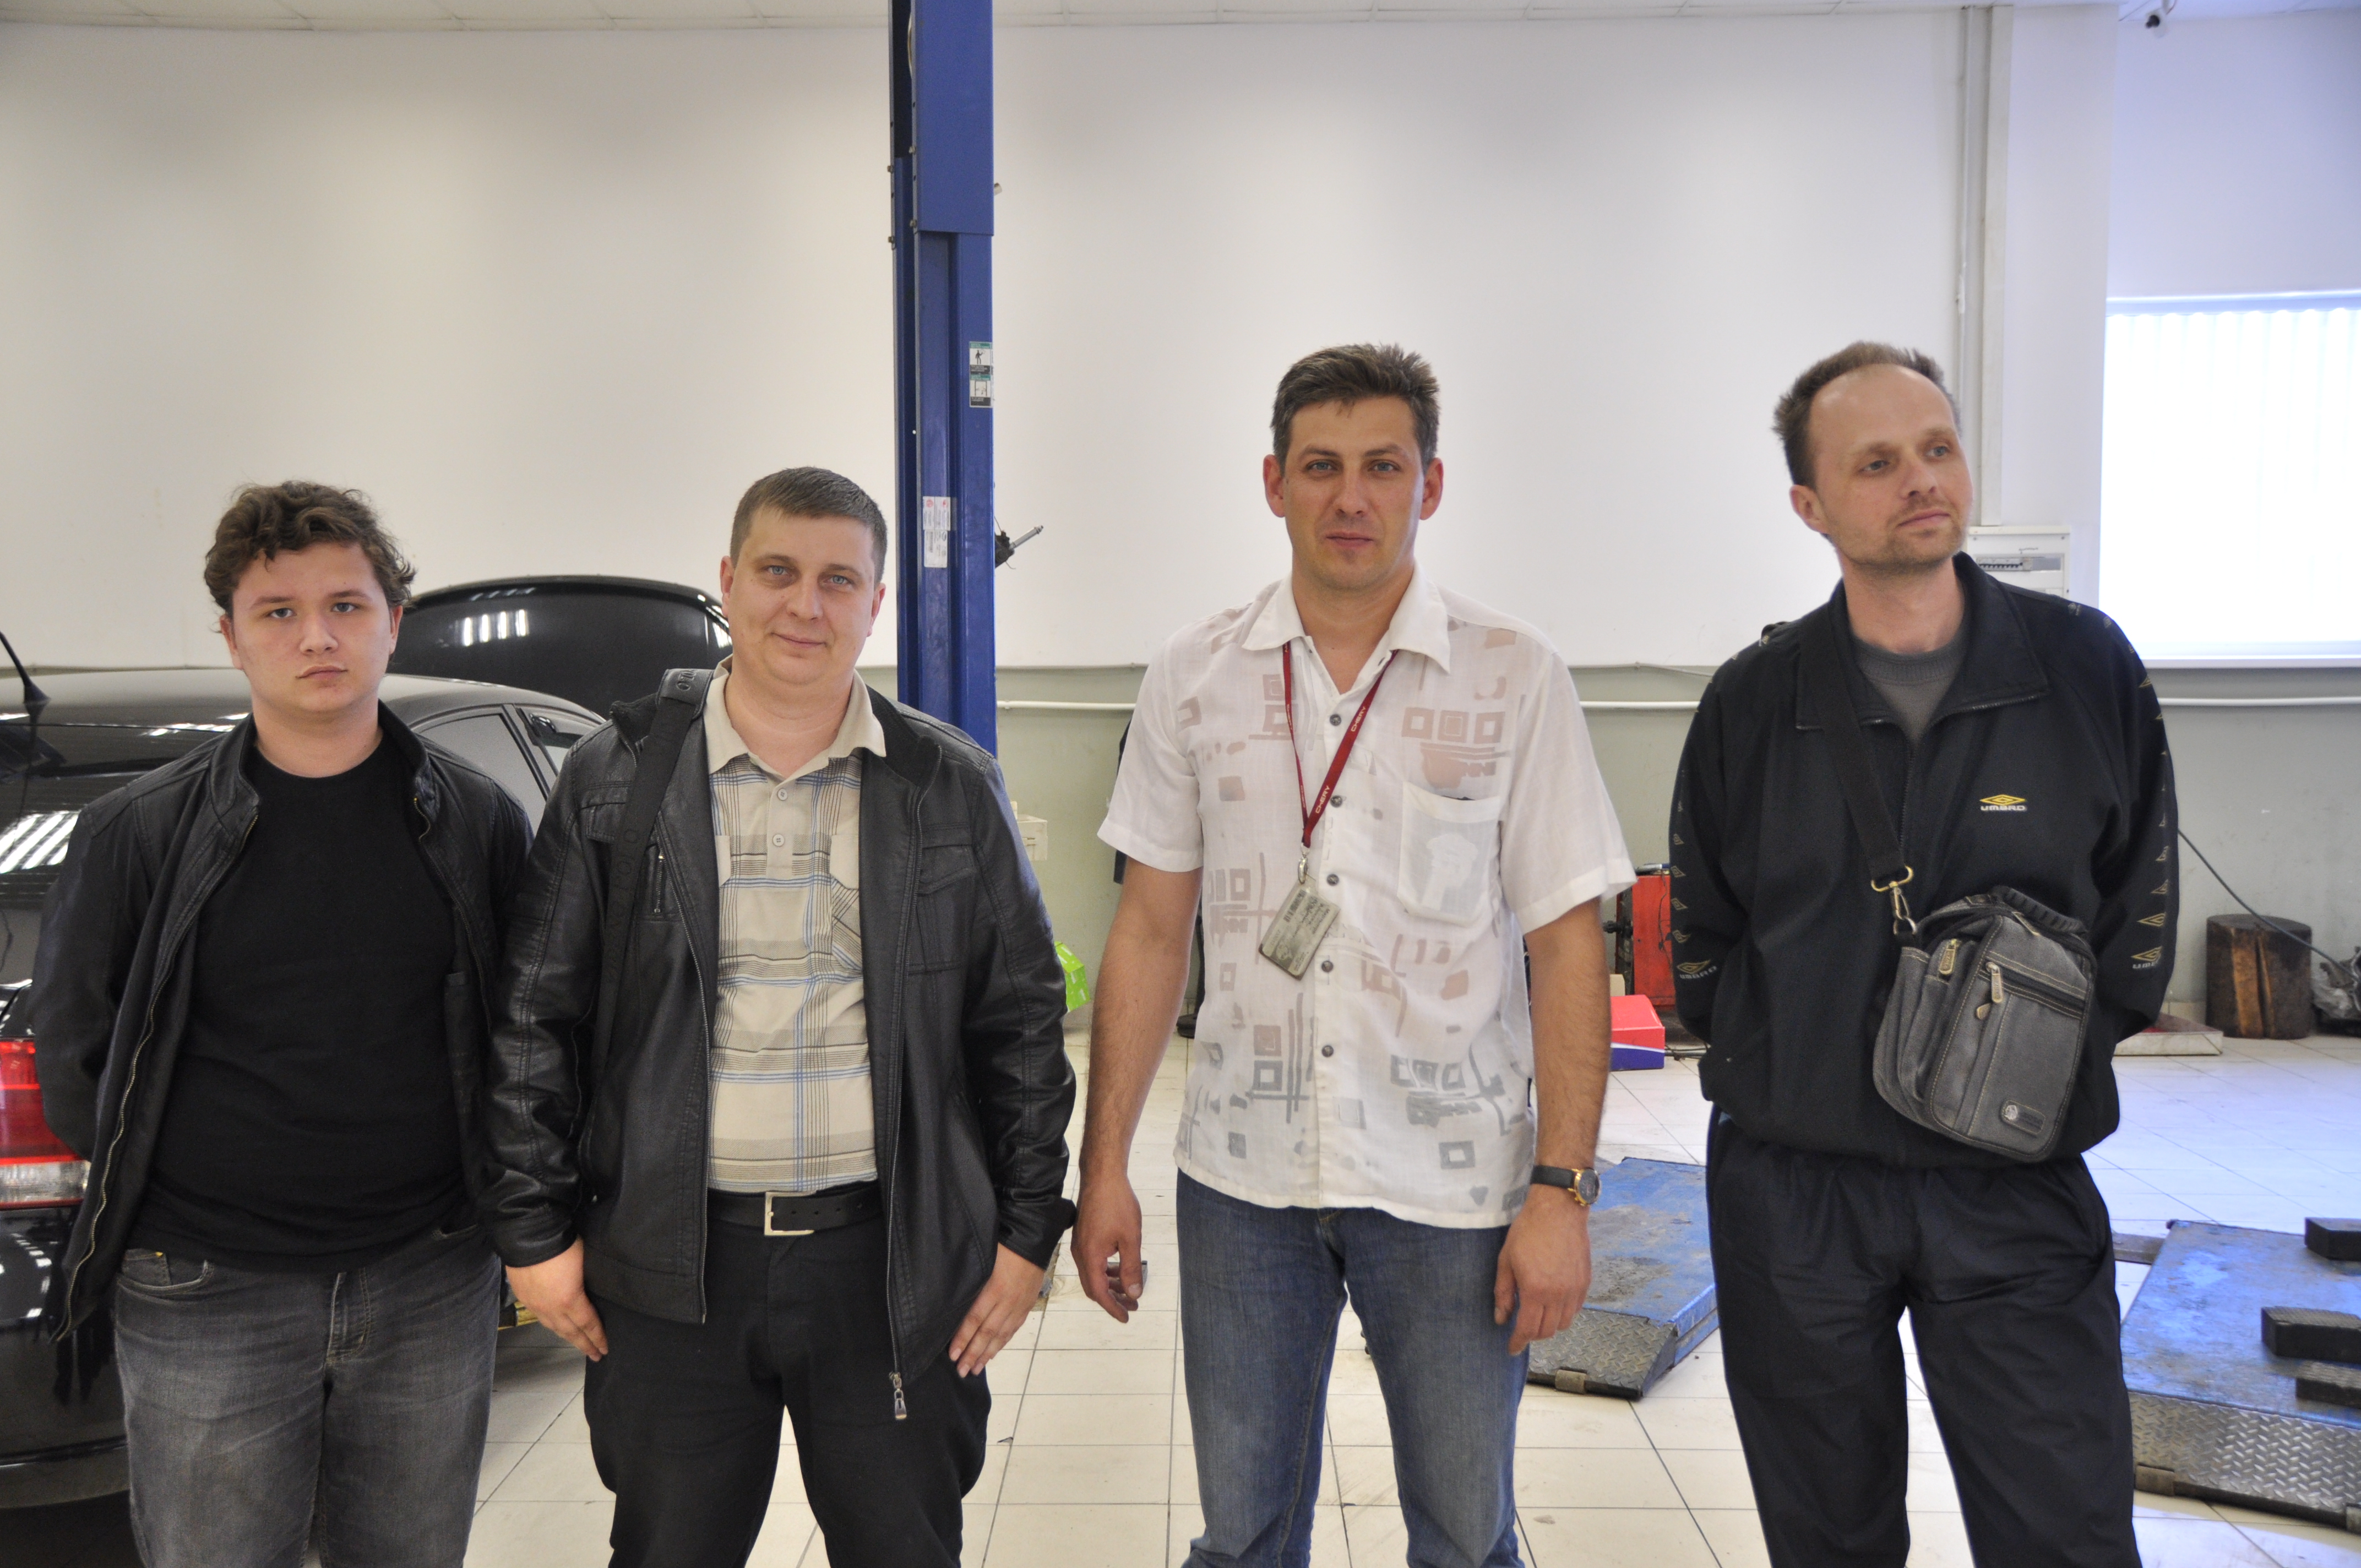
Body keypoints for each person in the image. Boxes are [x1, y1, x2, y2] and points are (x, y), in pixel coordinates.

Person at [1075, 345, 1631, 1568]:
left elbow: (1564, 944)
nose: (1350, 497)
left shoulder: (1514, 674)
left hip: (1452, 1189)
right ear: (1273, 482)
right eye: (1320, 466)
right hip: (1241, 1178)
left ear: (1430, 485)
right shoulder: (1194, 673)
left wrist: (1561, 1189)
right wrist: (1103, 1164)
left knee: (1466, 1536)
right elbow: (1151, 928)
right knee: (1242, 1535)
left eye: (1383, 466)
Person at [484, 466, 1074, 1568]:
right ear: (727, 582)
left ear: (876, 603)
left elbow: (1024, 1027)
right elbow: (533, 1021)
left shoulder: (947, 787)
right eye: (777, 571)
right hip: (669, 1268)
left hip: (890, 1267)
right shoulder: (617, 781)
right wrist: (535, 1237)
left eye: (838, 580)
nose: (805, 604)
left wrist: (1027, 1236)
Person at [1668, 342, 2174, 1568]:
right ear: (1810, 505)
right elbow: (1699, 939)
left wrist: (2031, 1074)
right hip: (1796, 1192)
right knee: (1828, 1537)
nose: (1920, 480)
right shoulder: (1753, 700)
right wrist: (1797, 1070)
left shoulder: (2081, 667)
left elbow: (2138, 912)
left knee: (2063, 1529)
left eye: (1937, 448)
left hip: (2013, 1184)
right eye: (1877, 462)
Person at [33, 483, 531, 1567]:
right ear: (232, 635)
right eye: (279, 612)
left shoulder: (476, 821)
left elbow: (524, 1037)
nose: (317, 636)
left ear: (394, 621)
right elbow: (75, 1059)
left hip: (429, 1277)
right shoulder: (137, 834)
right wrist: (183, 1198)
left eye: (347, 605)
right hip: (207, 1287)